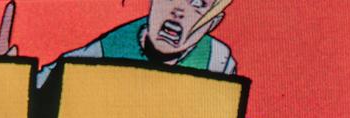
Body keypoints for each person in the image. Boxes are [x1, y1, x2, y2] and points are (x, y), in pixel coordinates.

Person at [36, 0, 236, 87]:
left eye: (199, 4)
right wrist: (10, 73)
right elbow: (48, 80)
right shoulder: (110, 49)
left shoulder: (217, 61)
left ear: (213, 22)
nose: (179, 10)